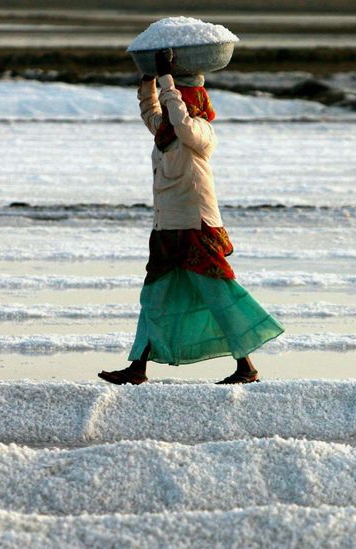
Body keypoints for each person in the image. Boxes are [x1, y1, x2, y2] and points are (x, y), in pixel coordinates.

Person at [98, 49, 284, 385]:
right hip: (167, 226)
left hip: (196, 224)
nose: (173, 105)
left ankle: (247, 366)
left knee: (219, 295)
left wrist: (168, 78)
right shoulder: (164, 132)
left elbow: (181, 120)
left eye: (179, 99)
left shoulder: (200, 131)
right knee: (154, 297)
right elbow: (151, 112)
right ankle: (137, 367)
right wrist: (148, 80)